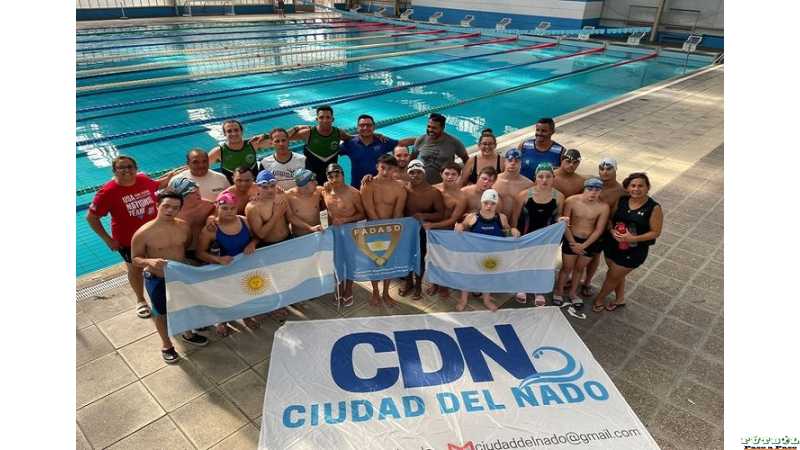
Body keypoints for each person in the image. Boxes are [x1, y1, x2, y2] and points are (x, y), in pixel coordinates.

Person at [86, 155, 176, 320]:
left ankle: (164, 295)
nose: (126, 170)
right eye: (121, 167)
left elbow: (157, 184)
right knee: (135, 270)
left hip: (154, 235)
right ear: (114, 171)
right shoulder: (107, 192)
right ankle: (140, 300)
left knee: (159, 266)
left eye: (129, 166)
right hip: (128, 241)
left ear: (135, 168)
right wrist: (108, 239)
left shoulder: (143, 179)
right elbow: (91, 217)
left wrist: (170, 176)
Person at [131, 190, 209, 363]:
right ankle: (166, 345)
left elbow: (185, 246)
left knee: (184, 305)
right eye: (166, 206)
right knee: (161, 313)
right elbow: (135, 259)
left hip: (179, 276)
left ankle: (188, 333)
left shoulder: (183, 226)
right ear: (157, 205)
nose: (170, 210)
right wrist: (149, 261)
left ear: (180, 209)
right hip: (157, 278)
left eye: (175, 208)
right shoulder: (143, 233)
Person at [592, 173, 662, 312]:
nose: (636, 189)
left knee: (612, 276)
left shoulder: (654, 208)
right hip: (612, 244)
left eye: (641, 186)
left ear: (648, 187)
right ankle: (620, 299)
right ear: (628, 188)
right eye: (633, 185)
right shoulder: (622, 200)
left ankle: (599, 300)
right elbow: (611, 219)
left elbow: (655, 232)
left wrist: (632, 239)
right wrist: (612, 230)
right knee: (616, 274)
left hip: (634, 250)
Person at [197, 191, 259, 335]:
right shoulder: (210, 229)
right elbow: (199, 253)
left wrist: (253, 244)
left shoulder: (244, 221)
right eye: (225, 208)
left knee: (245, 292)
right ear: (217, 207)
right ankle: (222, 320)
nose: (229, 211)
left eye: (232, 208)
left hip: (243, 266)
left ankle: (246, 315)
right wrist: (218, 259)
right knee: (223, 295)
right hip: (222, 269)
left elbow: (257, 237)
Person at [454, 189, 520, 312]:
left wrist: (513, 230)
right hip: (474, 254)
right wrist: (460, 226)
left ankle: (486, 300)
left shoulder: (501, 218)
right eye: (486, 203)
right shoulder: (472, 217)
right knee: (468, 276)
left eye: (492, 203)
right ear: (481, 202)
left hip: (492, 255)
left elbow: (507, 231)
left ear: (496, 204)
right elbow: (463, 227)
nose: (489, 206)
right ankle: (463, 299)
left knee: (488, 277)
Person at [511, 162, 565, 306]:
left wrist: (561, 220)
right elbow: (515, 217)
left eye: (548, 176)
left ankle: (538, 290)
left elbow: (558, 217)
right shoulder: (523, 195)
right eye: (541, 176)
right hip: (526, 235)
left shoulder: (559, 197)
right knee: (524, 261)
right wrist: (513, 230)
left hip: (546, 238)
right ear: (535, 178)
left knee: (542, 263)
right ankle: (522, 286)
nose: (544, 180)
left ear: (553, 178)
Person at [553, 178, 609, 308]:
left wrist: (584, 245)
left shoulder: (603, 207)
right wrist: (572, 243)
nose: (593, 193)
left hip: (589, 242)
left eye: (597, 190)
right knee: (566, 268)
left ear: (601, 191)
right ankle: (559, 291)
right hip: (571, 238)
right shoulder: (571, 201)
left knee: (579, 269)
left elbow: (599, 230)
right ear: (584, 189)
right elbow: (565, 224)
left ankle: (573, 293)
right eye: (590, 189)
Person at [360, 154, 408, 307]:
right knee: (373, 263)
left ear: (395, 169)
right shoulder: (368, 184)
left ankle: (386, 293)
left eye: (390, 169)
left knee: (389, 262)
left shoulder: (399, 188)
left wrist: (391, 230)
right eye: (383, 168)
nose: (386, 172)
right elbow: (369, 209)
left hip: (390, 230)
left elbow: (398, 213)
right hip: (372, 229)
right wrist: (379, 228)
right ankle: (375, 292)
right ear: (377, 167)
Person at [399, 160, 445, 300]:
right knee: (405, 257)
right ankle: (409, 283)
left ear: (424, 173)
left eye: (419, 172)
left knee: (419, 258)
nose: (415, 175)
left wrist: (423, 216)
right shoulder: (403, 188)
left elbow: (440, 214)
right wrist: (368, 178)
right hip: (405, 229)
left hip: (421, 230)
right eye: (412, 172)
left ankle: (418, 285)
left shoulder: (433, 193)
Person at [321, 163, 366, 306]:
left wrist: (345, 220)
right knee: (336, 261)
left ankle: (349, 289)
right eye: (331, 176)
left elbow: (362, 214)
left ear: (343, 175)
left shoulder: (353, 193)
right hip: (334, 232)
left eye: (337, 175)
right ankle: (339, 288)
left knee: (350, 260)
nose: (334, 179)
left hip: (350, 230)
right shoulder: (324, 191)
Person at [581, 157, 626, 298]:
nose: (605, 172)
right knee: (579, 254)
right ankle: (574, 278)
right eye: (602, 169)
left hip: (604, 229)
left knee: (594, 256)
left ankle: (587, 282)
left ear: (616, 170)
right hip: (584, 224)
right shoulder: (591, 183)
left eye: (609, 169)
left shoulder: (621, 191)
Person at [428, 162, 469, 299]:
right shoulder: (433, 189)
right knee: (431, 258)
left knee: (445, 260)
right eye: (446, 173)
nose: (450, 177)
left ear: (459, 176)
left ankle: (444, 285)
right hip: (430, 231)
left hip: (446, 232)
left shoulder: (461, 197)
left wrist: (432, 225)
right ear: (441, 174)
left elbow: (453, 219)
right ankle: (434, 283)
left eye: (453, 174)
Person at [339, 114, 415, 188]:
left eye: (369, 125)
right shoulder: (350, 143)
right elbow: (334, 150)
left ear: (374, 127)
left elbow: (400, 143)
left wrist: (420, 139)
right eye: (362, 125)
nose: (365, 128)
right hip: (356, 188)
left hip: (379, 189)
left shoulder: (382, 141)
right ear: (357, 127)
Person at [283, 105, 352, 186]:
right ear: (317, 119)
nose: (325, 120)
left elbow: (352, 139)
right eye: (321, 117)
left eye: (328, 117)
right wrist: (295, 128)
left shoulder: (338, 133)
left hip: (330, 178)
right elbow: (281, 137)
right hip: (311, 179)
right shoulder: (308, 133)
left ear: (332, 119)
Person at [411, 113, 469, 184]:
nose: (430, 130)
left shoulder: (454, 142)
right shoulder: (420, 140)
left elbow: (467, 161)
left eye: (434, 128)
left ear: (442, 128)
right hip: (420, 183)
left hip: (442, 185)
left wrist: (462, 179)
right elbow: (411, 160)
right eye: (429, 126)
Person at [168, 177, 215, 258]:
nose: (198, 194)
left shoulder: (207, 206)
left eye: (197, 190)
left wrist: (212, 216)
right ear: (182, 197)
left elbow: (219, 209)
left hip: (205, 249)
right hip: (183, 252)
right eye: (193, 193)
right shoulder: (171, 214)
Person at [246, 170, 292, 247]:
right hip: (269, 245)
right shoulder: (253, 207)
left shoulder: (281, 196)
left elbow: (292, 218)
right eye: (265, 187)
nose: (270, 190)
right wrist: (276, 215)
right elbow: (261, 234)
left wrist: (309, 228)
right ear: (257, 187)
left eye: (272, 186)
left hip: (288, 239)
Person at [208, 119, 259, 184]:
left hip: (254, 187)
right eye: (229, 131)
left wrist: (265, 136)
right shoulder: (218, 151)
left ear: (242, 131)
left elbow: (271, 139)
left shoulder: (253, 144)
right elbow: (199, 167)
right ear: (224, 134)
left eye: (236, 130)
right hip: (231, 189)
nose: (233, 133)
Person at [492, 149, 533, 218]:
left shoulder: (528, 184)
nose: (513, 163)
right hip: (496, 220)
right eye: (510, 160)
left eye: (516, 161)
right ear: (505, 162)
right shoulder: (494, 180)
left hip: (518, 221)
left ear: (521, 164)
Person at [286, 169, 325, 237]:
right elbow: (290, 217)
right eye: (313, 181)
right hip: (300, 237)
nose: (316, 182)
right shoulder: (288, 196)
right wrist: (310, 228)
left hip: (319, 232)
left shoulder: (319, 191)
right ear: (305, 184)